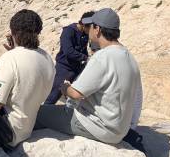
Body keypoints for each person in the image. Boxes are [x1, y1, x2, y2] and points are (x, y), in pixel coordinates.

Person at [35, 8, 140, 144]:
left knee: (38, 112)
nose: (88, 29)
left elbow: (76, 94)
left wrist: (65, 87)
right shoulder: (129, 56)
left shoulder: (102, 57)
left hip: (98, 127)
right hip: (120, 130)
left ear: (98, 29)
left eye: (91, 26)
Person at [0, 9, 54, 149]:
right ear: (38, 32)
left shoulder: (10, 59)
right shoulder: (47, 58)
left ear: (13, 32)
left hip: (8, 132)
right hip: (27, 127)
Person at [45, 11, 94, 104]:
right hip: (64, 68)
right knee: (53, 96)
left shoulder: (85, 34)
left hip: (77, 68)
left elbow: (84, 50)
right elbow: (68, 51)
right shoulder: (68, 31)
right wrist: (85, 58)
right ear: (84, 25)